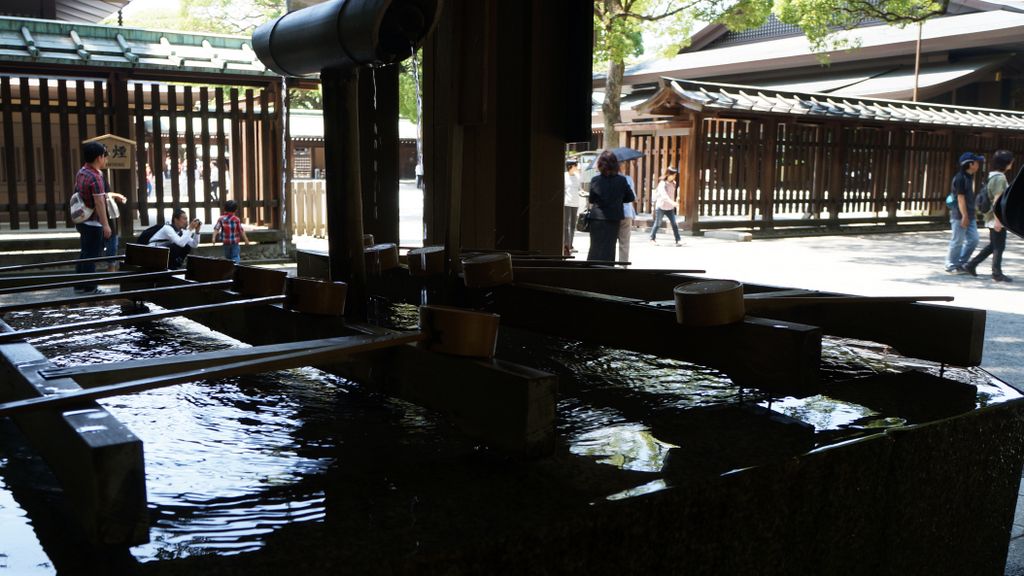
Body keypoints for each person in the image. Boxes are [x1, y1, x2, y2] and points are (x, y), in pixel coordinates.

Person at [965, 150, 1013, 282]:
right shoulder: (1000, 178)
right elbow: (998, 200)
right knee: (999, 246)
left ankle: (971, 265)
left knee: (994, 245)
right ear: (1006, 163)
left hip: (991, 216)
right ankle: (996, 273)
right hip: (995, 218)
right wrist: (999, 221)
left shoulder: (992, 176)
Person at [72, 142, 111, 294]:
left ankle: (79, 285)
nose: (105, 159)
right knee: (91, 255)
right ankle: (90, 287)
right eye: (103, 156)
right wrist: (106, 225)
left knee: (85, 252)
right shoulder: (95, 177)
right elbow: (99, 203)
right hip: (92, 221)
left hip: (81, 219)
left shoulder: (82, 172)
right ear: (98, 157)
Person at [587, 150, 635, 262]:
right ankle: (608, 270)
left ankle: (591, 270)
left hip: (597, 219)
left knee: (595, 246)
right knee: (609, 247)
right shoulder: (621, 180)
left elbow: (591, 199)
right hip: (613, 218)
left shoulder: (595, 180)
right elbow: (630, 197)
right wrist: (618, 199)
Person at [946, 152, 983, 274]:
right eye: (977, 162)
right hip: (960, 215)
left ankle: (961, 263)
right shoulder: (960, 178)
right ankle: (951, 265)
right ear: (970, 164)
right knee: (957, 240)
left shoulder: (969, 177)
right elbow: (960, 198)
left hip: (969, 215)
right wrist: (965, 216)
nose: (978, 164)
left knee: (974, 239)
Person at [649, 167, 682, 246]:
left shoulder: (673, 183)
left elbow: (672, 194)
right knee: (658, 223)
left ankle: (678, 240)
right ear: (668, 174)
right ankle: (652, 239)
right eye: (673, 175)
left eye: (675, 175)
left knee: (674, 224)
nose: (674, 177)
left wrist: (676, 199)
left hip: (669, 208)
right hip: (661, 207)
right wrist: (672, 202)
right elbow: (664, 196)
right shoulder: (662, 184)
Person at [618, 163, 638, 263]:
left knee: (611, 240)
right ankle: (623, 264)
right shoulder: (628, 179)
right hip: (626, 213)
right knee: (624, 242)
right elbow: (633, 197)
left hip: (614, 213)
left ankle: (610, 265)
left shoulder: (611, 179)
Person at [103, 189, 128, 271]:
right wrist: (116, 195)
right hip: (101, 215)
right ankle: (111, 265)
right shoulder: (96, 178)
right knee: (112, 240)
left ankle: (112, 265)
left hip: (104, 215)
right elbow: (100, 195)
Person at [563, 158, 582, 256]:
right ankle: (565, 245)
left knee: (573, 226)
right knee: (566, 226)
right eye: (576, 165)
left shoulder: (578, 176)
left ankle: (570, 245)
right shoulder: (564, 176)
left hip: (575, 203)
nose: (577, 167)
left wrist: (582, 192)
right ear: (571, 166)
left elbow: (579, 189)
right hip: (566, 203)